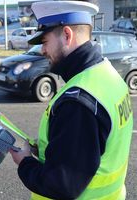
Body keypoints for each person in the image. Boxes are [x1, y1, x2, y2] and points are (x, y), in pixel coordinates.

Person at [9, 1, 134, 199]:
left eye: (44, 41)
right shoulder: (107, 73)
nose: (42, 50)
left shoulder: (77, 103)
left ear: (67, 35)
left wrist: (24, 162)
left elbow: (61, 185)